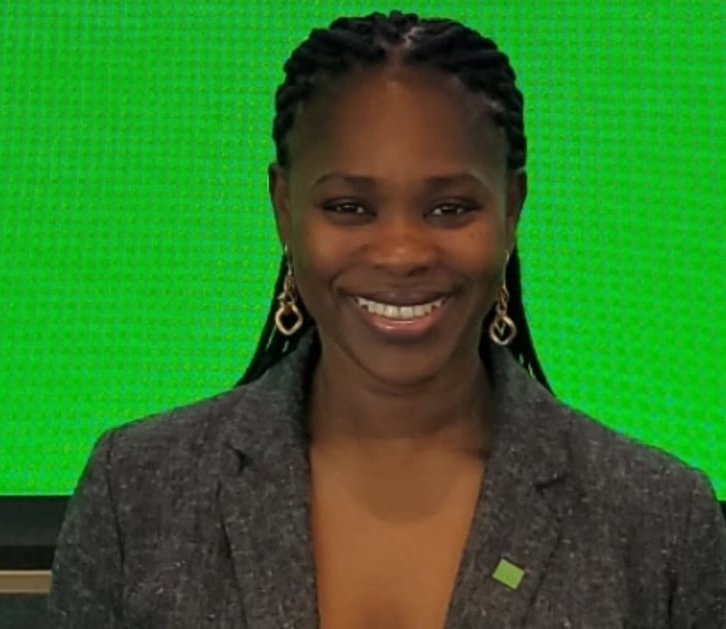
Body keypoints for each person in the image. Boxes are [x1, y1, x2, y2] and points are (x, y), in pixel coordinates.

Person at [48, 10, 726, 628]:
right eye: (348, 207)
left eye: (451, 207)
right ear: (283, 207)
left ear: (512, 206)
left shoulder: (659, 516)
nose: (402, 252)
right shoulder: (135, 490)